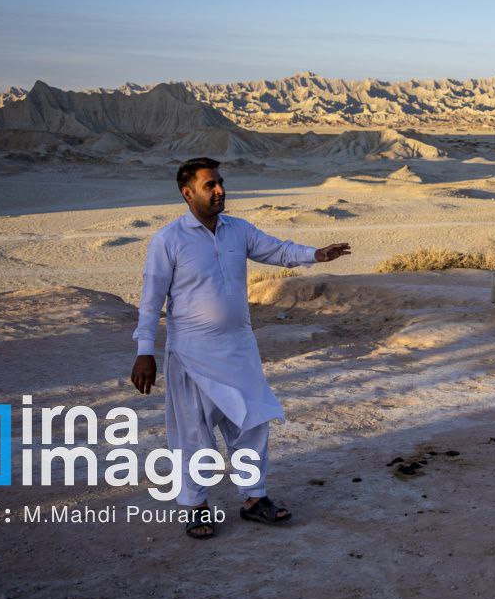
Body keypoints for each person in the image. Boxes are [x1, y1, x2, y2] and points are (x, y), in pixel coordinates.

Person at [129, 156, 351, 538]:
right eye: (209, 186)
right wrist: (144, 350)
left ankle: (254, 498)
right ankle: (196, 507)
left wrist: (315, 254)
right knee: (193, 433)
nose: (219, 191)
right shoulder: (168, 240)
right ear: (187, 194)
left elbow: (277, 250)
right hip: (191, 353)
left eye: (220, 183)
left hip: (239, 349)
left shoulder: (237, 230)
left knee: (251, 423)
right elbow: (151, 301)